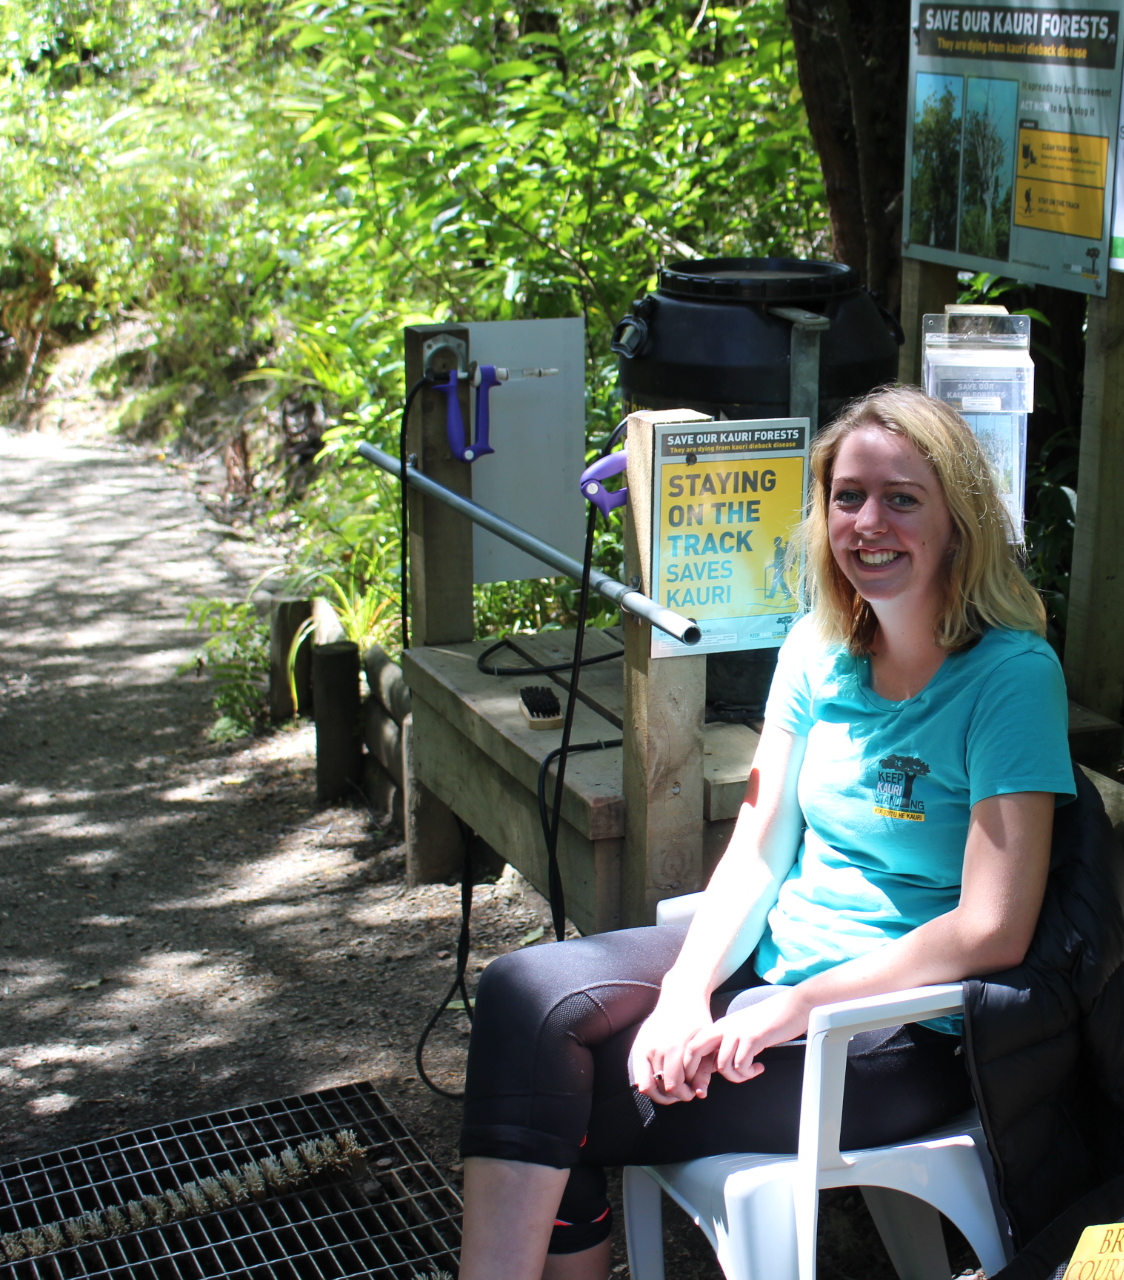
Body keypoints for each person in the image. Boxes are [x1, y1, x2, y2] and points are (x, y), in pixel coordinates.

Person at [455, 386, 1075, 1280]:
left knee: (558, 1104)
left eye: (902, 497)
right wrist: (685, 991)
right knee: (525, 995)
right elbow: (756, 849)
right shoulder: (817, 648)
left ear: (958, 521)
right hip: (773, 973)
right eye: (847, 496)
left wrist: (795, 1007)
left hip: (898, 1034)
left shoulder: (1012, 678)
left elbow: (992, 927)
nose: (869, 521)